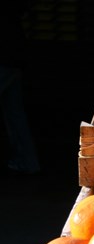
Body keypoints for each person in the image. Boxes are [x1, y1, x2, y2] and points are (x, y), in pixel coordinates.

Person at [0, 2, 40, 175]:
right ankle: (28, 162)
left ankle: (26, 162)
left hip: (4, 60)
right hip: (14, 60)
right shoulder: (13, 12)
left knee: (14, 114)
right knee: (14, 114)